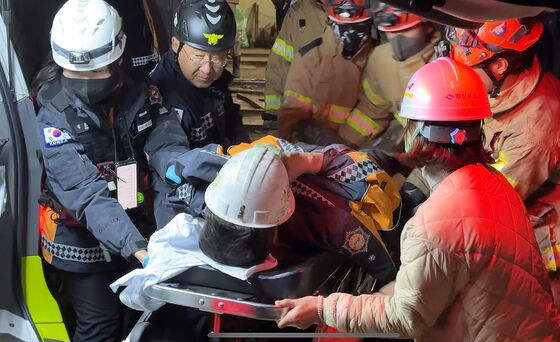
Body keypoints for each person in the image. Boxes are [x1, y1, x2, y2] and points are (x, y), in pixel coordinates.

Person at [273, 57, 560, 340]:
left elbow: (406, 316)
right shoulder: (491, 181)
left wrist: (323, 309)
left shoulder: (436, 224)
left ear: (419, 133)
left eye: (409, 123)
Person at [32, 0, 191, 340]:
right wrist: (140, 250)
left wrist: (184, 178)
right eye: (77, 75)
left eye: (96, 72)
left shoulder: (141, 91)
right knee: (100, 322)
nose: (87, 82)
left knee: (143, 316)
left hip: (133, 220)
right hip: (78, 235)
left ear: (119, 57)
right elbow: (85, 194)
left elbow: (165, 145)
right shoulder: (53, 115)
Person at [187, 137, 406, 288]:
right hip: (304, 158)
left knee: (379, 163)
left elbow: (381, 262)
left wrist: (310, 162)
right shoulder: (215, 170)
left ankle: (400, 160)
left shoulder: (332, 218)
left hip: (331, 162)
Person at [448, 18, 560, 305]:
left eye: (466, 69)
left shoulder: (534, 129)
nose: (457, 75)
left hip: (543, 238)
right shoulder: (499, 89)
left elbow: (494, 198)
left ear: (499, 66)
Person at [149, 0, 250, 228]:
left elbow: (232, 122)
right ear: (176, 45)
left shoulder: (217, 82)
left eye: (218, 58)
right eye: (198, 56)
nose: (207, 69)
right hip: (183, 204)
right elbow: (168, 170)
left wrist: (245, 153)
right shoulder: (158, 94)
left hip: (221, 186)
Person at [278, 0, 393, 148]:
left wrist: (343, 150)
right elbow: (292, 119)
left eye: (358, 27)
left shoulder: (382, 62)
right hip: (314, 154)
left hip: (361, 154)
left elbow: (375, 115)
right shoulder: (311, 59)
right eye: (343, 27)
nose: (350, 33)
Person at [366, 4, 440, 152]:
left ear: (429, 26)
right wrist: (345, 144)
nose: (398, 39)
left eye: (407, 29)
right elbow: (372, 109)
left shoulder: (445, 66)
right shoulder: (380, 58)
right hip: (408, 142)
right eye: (393, 30)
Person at [263, 0, 328, 122]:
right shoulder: (298, 12)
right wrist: (273, 115)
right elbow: (279, 66)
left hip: (347, 125)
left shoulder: (359, 12)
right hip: (305, 120)